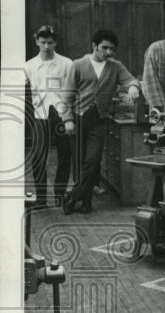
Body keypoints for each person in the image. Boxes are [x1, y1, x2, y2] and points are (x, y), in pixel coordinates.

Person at [59, 29, 141, 214]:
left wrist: (133, 87)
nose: (109, 52)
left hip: (99, 120)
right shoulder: (78, 65)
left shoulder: (116, 66)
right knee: (79, 162)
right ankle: (85, 202)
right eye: (105, 48)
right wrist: (67, 119)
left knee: (93, 161)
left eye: (112, 49)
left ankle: (72, 196)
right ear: (94, 46)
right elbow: (67, 95)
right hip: (78, 118)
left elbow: (131, 80)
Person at [24, 25, 74, 205]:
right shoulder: (29, 65)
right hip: (40, 114)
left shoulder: (67, 63)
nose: (46, 46)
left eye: (50, 43)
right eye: (43, 42)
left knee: (64, 155)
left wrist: (68, 116)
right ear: (36, 41)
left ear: (56, 43)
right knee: (38, 156)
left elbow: (72, 89)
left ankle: (60, 195)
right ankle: (41, 197)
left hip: (61, 115)